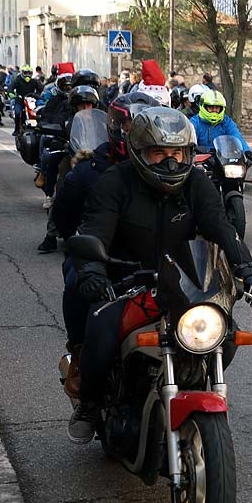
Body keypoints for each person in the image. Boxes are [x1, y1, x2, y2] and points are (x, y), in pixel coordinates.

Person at [66, 107, 252, 443]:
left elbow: (221, 227)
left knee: (227, 334)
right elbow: (96, 230)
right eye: (159, 153)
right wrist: (93, 272)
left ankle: (194, 388)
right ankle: (89, 404)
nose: (170, 162)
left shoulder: (198, 184)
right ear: (139, 152)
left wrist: (248, 271)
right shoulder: (115, 183)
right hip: (125, 282)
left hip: (185, 283)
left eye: (177, 153)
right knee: (101, 331)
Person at [51, 91, 160, 398]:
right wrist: (84, 246)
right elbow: (64, 216)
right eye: (128, 126)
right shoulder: (89, 171)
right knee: (76, 281)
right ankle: (80, 355)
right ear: (115, 126)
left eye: (141, 126)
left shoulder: (161, 169)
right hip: (102, 257)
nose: (134, 133)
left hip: (149, 258)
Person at [37, 85, 101, 253]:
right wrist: (60, 141)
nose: (87, 107)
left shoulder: (101, 120)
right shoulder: (67, 118)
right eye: (82, 104)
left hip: (95, 159)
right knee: (62, 192)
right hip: (73, 158)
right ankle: (50, 236)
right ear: (75, 105)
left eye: (90, 104)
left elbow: (110, 135)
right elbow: (57, 131)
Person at [10, 65, 42, 135]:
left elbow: (41, 89)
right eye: (25, 73)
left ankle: (39, 127)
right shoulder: (18, 80)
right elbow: (11, 88)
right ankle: (17, 129)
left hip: (31, 100)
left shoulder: (34, 81)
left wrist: (38, 95)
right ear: (22, 73)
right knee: (17, 113)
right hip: (20, 100)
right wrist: (11, 94)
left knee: (39, 112)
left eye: (29, 73)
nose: (27, 75)